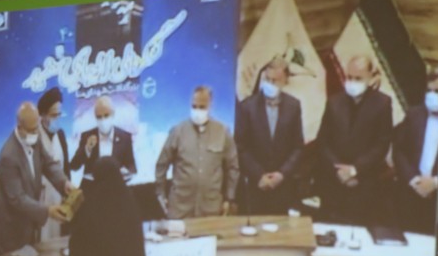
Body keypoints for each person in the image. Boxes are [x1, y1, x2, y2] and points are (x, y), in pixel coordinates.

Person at [316, 55, 392, 225]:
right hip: (332, 183)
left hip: (363, 184)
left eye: (358, 78)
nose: (352, 82)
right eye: (349, 77)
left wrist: (354, 170)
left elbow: (381, 145)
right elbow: (323, 141)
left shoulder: (383, 104)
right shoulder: (334, 102)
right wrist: (338, 170)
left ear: (370, 78)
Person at [0, 102, 72, 255]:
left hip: (28, 226)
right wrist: (48, 211)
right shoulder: (8, 156)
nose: (36, 133)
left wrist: (64, 182)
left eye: (37, 128)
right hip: (10, 232)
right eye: (32, 130)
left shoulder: (34, 138)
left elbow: (48, 164)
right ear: (20, 127)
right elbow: (18, 199)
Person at [155, 86, 239, 219]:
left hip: (211, 209)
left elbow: (233, 168)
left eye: (202, 107)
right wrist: (161, 194)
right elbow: (161, 164)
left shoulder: (222, 132)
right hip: (180, 209)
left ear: (210, 105)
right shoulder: (178, 131)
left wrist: (229, 198)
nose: (197, 111)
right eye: (194, 106)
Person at [235, 57, 304, 215]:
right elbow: (241, 147)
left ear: (285, 81)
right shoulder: (247, 107)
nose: (270, 84)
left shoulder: (294, 106)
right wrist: (259, 175)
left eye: (275, 80)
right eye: (267, 79)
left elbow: (297, 147)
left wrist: (282, 174)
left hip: (283, 189)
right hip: (255, 188)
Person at [393, 67, 438, 235]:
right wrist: (414, 180)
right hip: (410, 195)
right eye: (429, 90)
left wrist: (435, 183)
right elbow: (399, 150)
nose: (432, 96)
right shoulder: (414, 115)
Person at [70, 96, 136, 190]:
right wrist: (87, 149)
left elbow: (132, 166)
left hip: (116, 190)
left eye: (106, 115)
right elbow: (74, 166)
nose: (103, 120)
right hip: (91, 190)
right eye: (99, 117)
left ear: (113, 114)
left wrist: (125, 171)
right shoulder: (87, 136)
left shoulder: (125, 137)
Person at [37, 87, 71, 240]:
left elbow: (66, 168)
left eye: (59, 114)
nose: (57, 118)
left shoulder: (61, 135)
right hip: (40, 199)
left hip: (58, 196)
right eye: (53, 115)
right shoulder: (34, 136)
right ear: (43, 115)